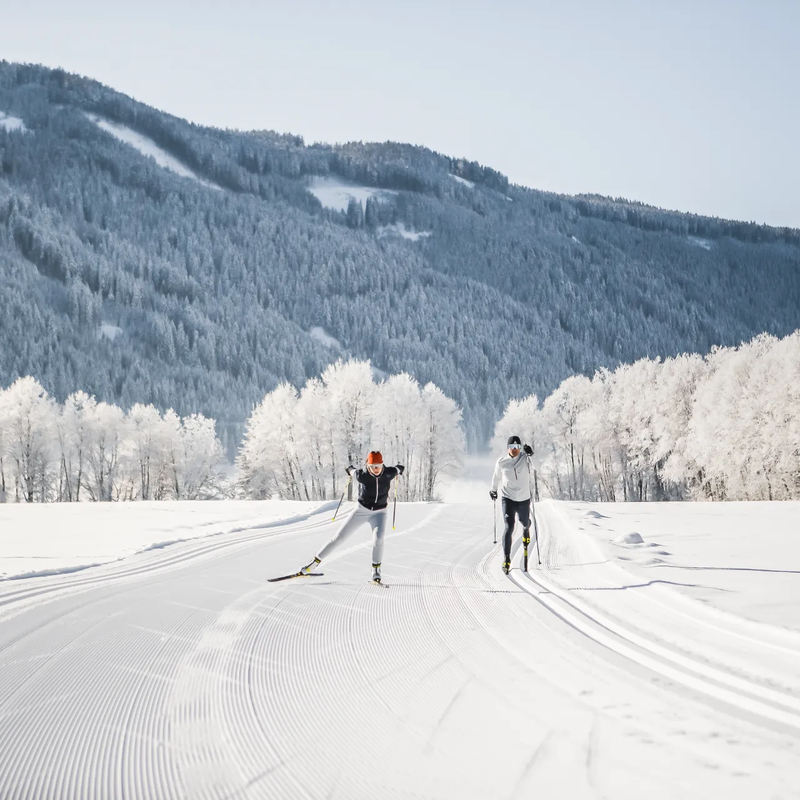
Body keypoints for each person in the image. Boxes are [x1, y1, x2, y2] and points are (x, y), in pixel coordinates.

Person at [302, 451, 405, 583]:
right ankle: (313, 563)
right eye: (373, 466)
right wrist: (349, 469)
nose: (376, 469)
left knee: (378, 539)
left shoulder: (389, 473)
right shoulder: (362, 476)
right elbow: (352, 471)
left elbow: (398, 469)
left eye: (378, 466)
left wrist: (400, 469)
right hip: (361, 511)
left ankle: (376, 570)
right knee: (339, 538)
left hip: (380, 513)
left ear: (382, 465)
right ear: (367, 466)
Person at [490, 435, 534, 574]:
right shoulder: (501, 462)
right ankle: (507, 558)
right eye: (511, 447)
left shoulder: (525, 458)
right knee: (509, 527)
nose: (514, 450)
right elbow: (496, 476)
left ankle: (526, 528)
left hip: (523, 499)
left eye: (517, 447)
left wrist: (531, 454)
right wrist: (493, 490)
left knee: (524, 521)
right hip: (508, 498)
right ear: (507, 448)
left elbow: (536, 467)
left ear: (520, 448)